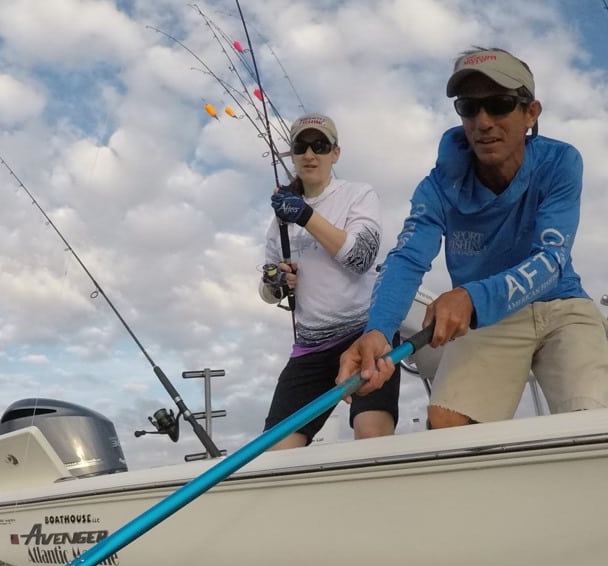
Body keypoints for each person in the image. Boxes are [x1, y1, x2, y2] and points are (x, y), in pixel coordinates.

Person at [338, 47, 608, 427]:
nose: (482, 121)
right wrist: (378, 331)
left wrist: (470, 295)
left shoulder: (562, 162)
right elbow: (407, 258)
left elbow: (552, 259)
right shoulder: (436, 187)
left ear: (531, 113)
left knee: (590, 424)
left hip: (562, 304)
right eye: (468, 107)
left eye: (499, 104)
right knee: (447, 425)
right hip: (490, 319)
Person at [259, 113, 395, 448]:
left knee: (370, 435)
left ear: (335, 153)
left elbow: (361, 258)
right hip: (309, 349)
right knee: (276, 452)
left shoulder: (359, 195)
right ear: (291, 155)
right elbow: (267, 288)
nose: (309, 154)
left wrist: (305, 215)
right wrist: (275, 283)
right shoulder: (279, 221)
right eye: (301, 146)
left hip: (364, 336)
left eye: (320, 146)